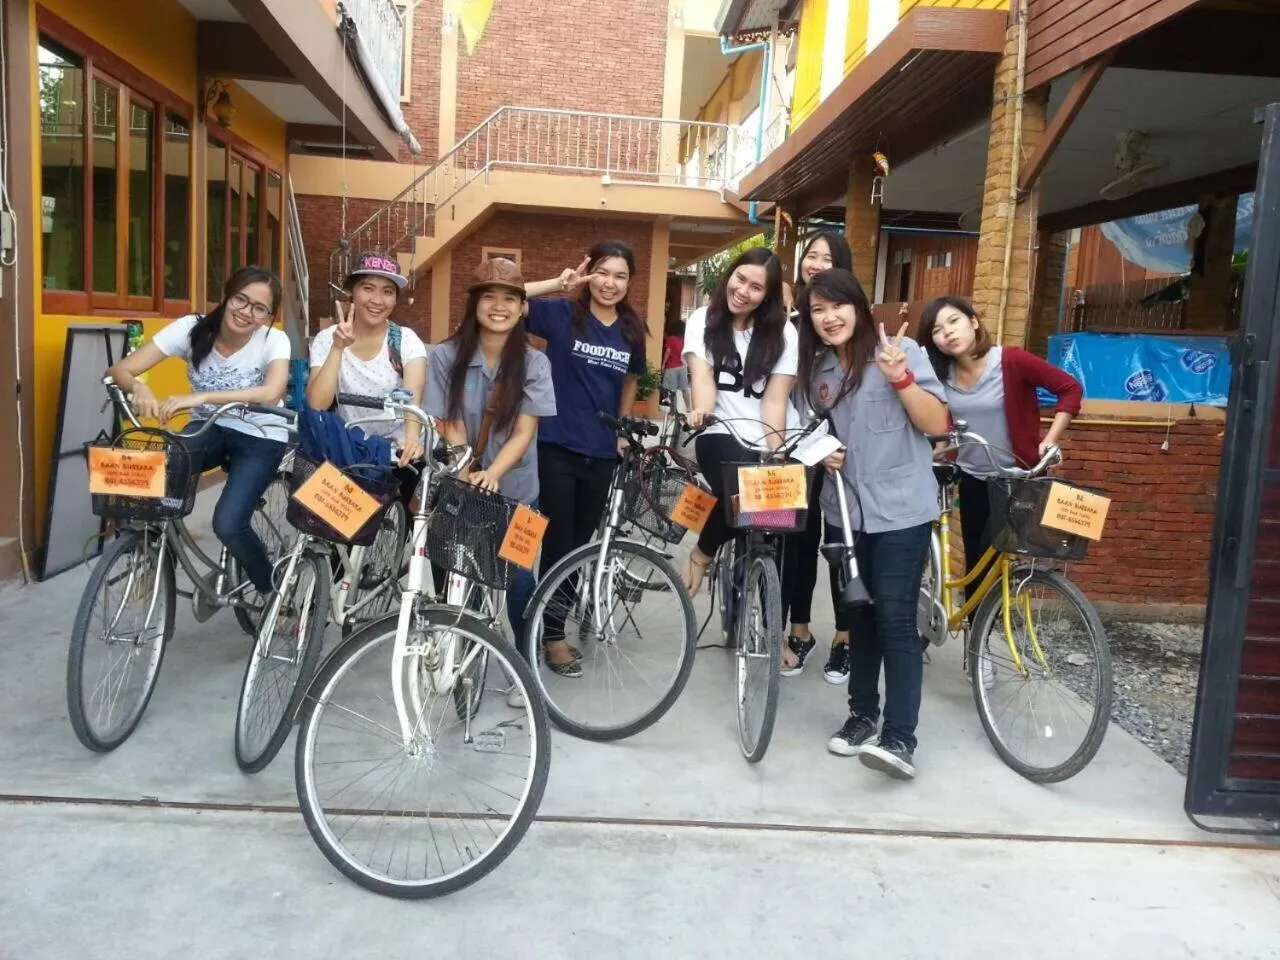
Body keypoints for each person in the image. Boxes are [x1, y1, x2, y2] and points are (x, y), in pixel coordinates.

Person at [797, 268, 949, 781]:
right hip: (845, 511)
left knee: (895, 619)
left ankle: (900, 737)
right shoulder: (817, 371)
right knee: (857, 617)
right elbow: (805, 430)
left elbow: (937, 424)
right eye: (817, 310)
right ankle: (862, 715)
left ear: (859, 307)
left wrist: (900, 378)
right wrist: (822, 452)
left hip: (902, 510)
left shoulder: (902, 353)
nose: (828, 317)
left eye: (837, 305)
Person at [105, 266, 291, 601]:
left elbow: (271, 391)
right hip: (209, 428)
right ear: (227, 295)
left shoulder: (273, 340)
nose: (246, 312)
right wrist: (139, 388)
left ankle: (272, 592)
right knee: (159, 475)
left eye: (259, 308)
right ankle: (156, 558)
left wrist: (202, 397)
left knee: (228, 524)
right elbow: (121, 370)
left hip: (261, 435)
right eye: (241, 299)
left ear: (268, 316)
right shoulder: (191, 328)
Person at [426, 257, 557, 675]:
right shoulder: (445, 355)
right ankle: (464, 659)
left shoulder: (535, 362)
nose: (499, 307)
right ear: (474, 303)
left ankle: (525, 664)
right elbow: (450, 422)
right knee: (457, 569)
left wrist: (493, 474)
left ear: (522, 307)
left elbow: (524, 432)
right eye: (489, 297)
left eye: (509, 299)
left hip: (519, 489)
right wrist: (467, 471)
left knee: (520, 580)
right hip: (462, 480)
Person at [522, 241, 649, 672]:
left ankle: (550, 625)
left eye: (620, 276)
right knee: (558, 543)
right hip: (556, 445)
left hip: (602, 453)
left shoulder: (631, 330)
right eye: (602, 273)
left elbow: (630, 380)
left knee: (579, 546)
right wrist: (558, 284)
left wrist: (622, 429)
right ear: (589, 273)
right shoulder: (562, 314)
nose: (610, 283)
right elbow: (507, 298)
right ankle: (552, 637)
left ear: (629, 282)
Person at [918, 295, 1083, 599]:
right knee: (976, 561)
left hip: (1015, 479)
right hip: (971, 478)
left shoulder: (1011, 361)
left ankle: (993, 616)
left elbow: (1070, 388)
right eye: (937, 330)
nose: (948, 332)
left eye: (954, 321)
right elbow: (940, 425)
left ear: (973, 321)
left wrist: (1049, 439)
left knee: (999, 556)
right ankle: (977, 625)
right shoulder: (941, 376)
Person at [682, 247, 799, 595]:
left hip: (768, 433)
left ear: (768, 296)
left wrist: (778, 453)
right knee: (740, 495)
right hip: (721, 429)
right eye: (740, 279)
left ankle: (764, 608)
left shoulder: (784, 334)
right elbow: (703, 378)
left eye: (756, 287)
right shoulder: (703, 319)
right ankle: (703, 552)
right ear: (730, 275)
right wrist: (702, 411)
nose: (743, 291)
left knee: (780, 509)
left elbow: (775, 400)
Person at [781, 232, 855, 681]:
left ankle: (845, 637)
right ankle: (800, 630)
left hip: (847, 453)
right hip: (800, 450)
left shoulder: (847, 320)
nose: (817, 264)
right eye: (811, 255)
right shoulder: (790, 322)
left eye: (828, 258)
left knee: (842, 544)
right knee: (799, 542)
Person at [306, 251, 428, 500]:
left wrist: (412, 439)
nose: (377, 300)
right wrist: (338, 347)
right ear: (352, 291)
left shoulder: (405, 341)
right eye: (368, 288)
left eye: (387, 291)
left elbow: (412, 399)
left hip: (397, 449)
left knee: (409, 510)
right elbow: (316, 404)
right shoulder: (327, 339)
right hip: (350, 448)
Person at [661, 317, 690, 412]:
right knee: (684, 389)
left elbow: (668, 352)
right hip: (682, 366)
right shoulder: (685, 340)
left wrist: (663, 364)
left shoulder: (671, 339)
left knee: (671, 391)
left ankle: (673, 411)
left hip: (671, 367)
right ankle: (688, 408)